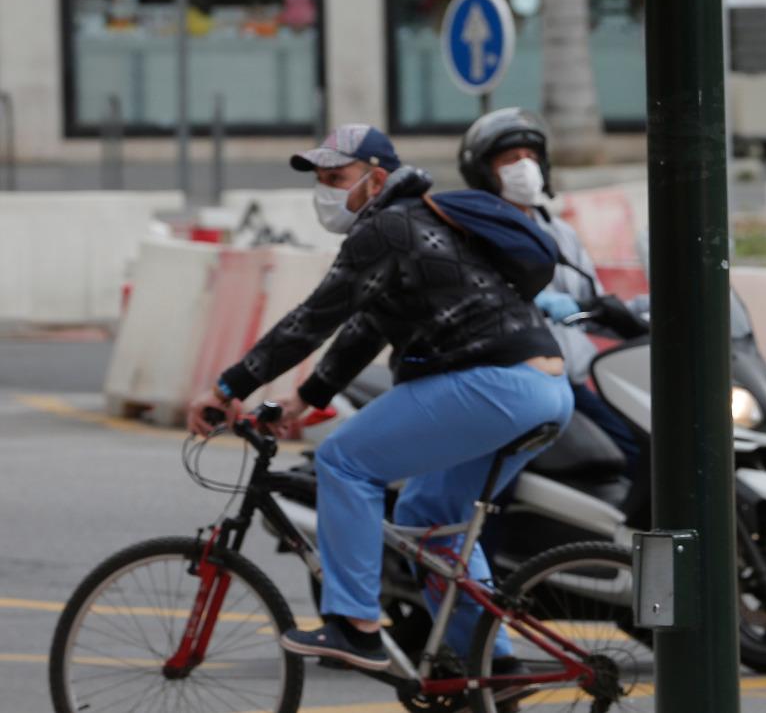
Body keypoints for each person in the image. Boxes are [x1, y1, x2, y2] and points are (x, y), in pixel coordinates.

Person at [186, 124, 574, 671]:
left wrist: (228, 388)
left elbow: (312, 320)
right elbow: (364, 329)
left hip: (495, 385)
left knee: (343, 462)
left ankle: (355, 626)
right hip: (545, 391)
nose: (325, 191)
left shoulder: (387, 228)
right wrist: (305, 398)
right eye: (320, 180)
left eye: (336, 178)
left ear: (376, 179)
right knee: (428, 516)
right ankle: (490, 666)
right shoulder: (417, 222)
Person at [457, 108, 643, 474]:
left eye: (531, 157)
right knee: (498, 477)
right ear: (484, 171)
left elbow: (589, 301)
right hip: (510, 382)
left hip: (571, 380)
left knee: (632, 450)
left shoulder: (559, 232)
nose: (524, 167)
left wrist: (626, 314)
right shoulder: (472, 232)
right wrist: (530, 301)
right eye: (511, 159)